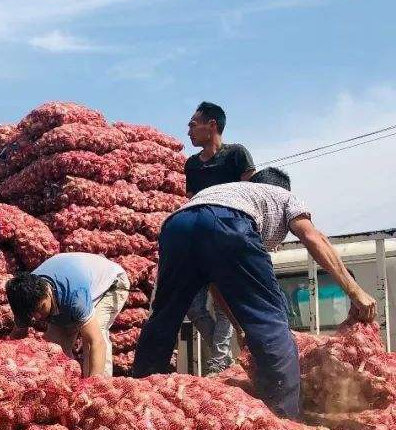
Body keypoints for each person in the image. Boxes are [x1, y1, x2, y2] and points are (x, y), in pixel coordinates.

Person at [132, 167, 376, 416]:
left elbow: (219, 285)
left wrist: (240, 327)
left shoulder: (229, 192)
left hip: (176, 226)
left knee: (163, 318)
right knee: (271, 322)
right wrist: (355, 291)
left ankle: (140, 400)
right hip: (229, 223)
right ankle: (284, 416)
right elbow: (313, 237)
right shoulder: (284, 196)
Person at [181, 101, 256, 373]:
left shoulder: (236, 154)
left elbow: (252, 193)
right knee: (194, 305)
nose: (188, 131)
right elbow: (190, 201)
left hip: (230, 236)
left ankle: (219, 360)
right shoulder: (191, 164)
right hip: (200, 237)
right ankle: (221, 354)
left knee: (225, 304)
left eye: (193, 124)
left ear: (211, 125)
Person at [6, 253, 130, 377]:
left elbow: (96, 342)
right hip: (70, 281)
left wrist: (93, 386)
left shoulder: (76, 297)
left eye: (41, 308)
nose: (38, 317)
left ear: (48, 293)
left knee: (92, 338)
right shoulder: (23, 297)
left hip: (112, 284)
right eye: (32, 314)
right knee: (53, 348)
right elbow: (18, 335)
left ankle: (101, 388)